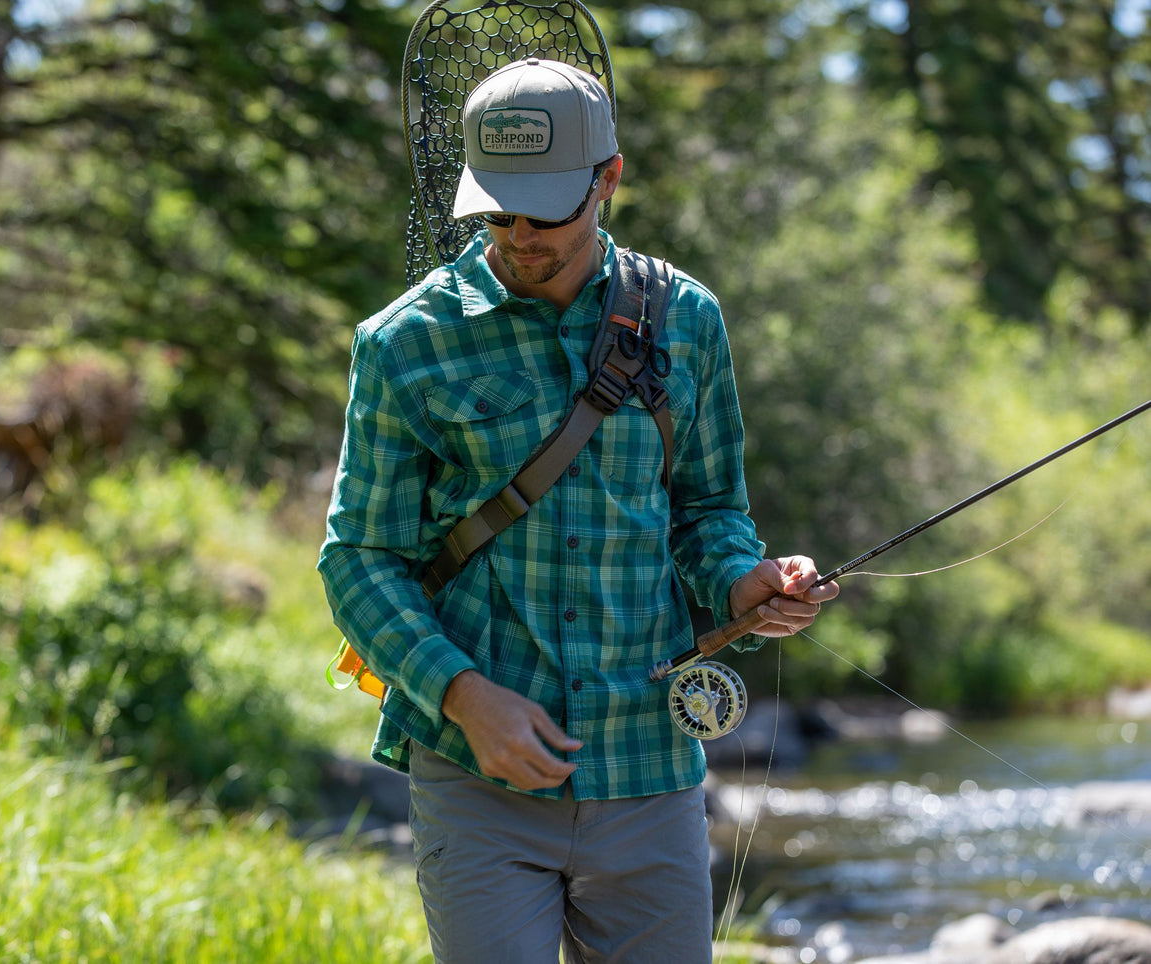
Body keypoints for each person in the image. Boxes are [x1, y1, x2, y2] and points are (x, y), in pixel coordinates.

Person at [318, 57, 839, 964]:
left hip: (648, 770)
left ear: (608, 179)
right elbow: (358, 558)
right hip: (473, 776)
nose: (518, 235)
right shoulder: (403, 345)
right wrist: (464, 696)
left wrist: (743, 582)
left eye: (547, 211)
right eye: (496, 210)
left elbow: (708, 512)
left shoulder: (688, 321)